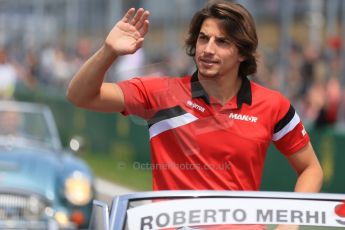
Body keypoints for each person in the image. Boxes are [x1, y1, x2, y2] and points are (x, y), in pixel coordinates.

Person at [67, 1, 323, 229]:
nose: (208, 49)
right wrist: (108, 51)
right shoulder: (160, 93)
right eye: (203, 38)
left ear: (243, 53)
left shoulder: (273, 105)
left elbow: (311, 169)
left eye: (222, 42)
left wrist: (290, 222)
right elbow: (80, 96)